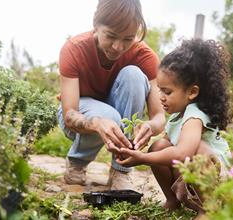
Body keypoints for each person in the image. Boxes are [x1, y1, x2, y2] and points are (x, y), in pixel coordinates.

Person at [116, 39, 232, 217]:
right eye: (159, 90)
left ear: (192, 92)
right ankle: (173, 200)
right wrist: (136, 147)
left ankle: (209, 210)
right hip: (195, 183)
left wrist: (142, 158)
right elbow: (165, 149)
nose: (161, 97)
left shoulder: (195, 115)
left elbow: (181, 154)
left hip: (221, 185)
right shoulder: (177, 118)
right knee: (159, 146)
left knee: (197, 151)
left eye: (167, 92)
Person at [57, 0, 165, 190]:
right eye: (111, 36)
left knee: (134, 75)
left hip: (116, 114)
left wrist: (149, 126)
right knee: (108, 116)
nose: (118, 47)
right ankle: (78, 162)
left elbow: (159, 116)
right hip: (81, 113)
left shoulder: (145, 56)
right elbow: (69, 114)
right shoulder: (74, 49)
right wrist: (97, 123)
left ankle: (120, 170)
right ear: (96, 25)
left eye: (128, 39)